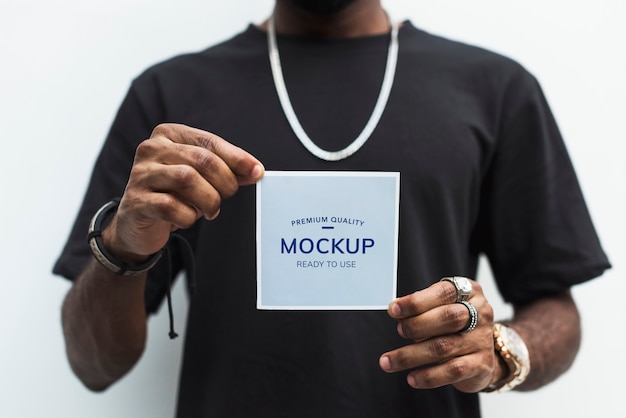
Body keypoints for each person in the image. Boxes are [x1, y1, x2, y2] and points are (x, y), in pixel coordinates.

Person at [53, 0, 610, 417]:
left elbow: (556, 310)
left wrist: (498, 351)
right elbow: (94, 364)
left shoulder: (495, 89)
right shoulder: (169, 97)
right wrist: (121, 246)